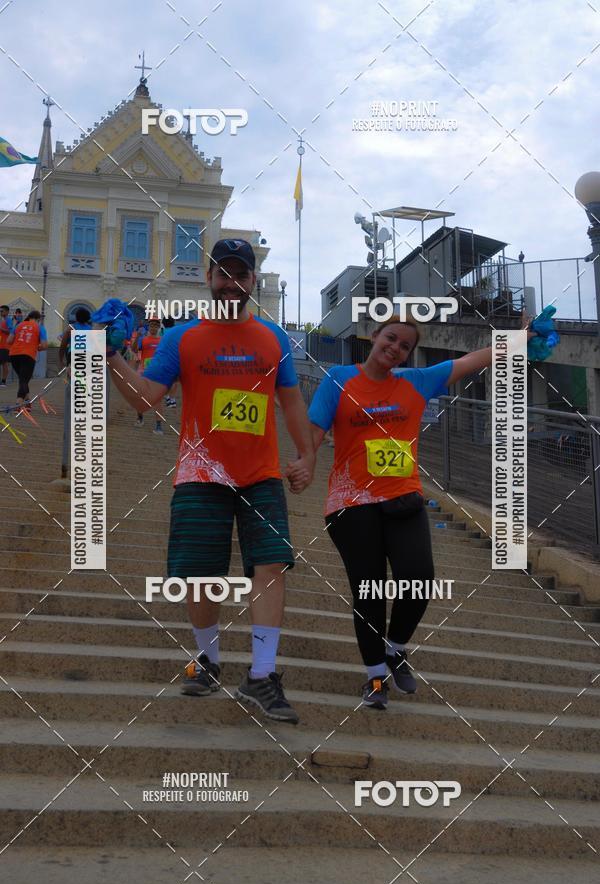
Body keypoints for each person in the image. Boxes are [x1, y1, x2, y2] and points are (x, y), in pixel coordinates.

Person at [105, 238, 315, 723]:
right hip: (201, 474)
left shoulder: (273, 339)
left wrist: (307, 454)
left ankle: (262, 676)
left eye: (241, 274)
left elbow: (291, 403)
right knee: (202, 576)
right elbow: (145, 400)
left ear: (252, 282)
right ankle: (209, 659)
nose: (231, 283)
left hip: (260, 474)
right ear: (209, 278)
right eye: (223, 273)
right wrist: (111, 356)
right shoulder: (184, 338)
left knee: (271, 566)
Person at [298, 313, 508, 710]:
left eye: (405, 346)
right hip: (351, 503)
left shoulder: (417, 382)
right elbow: (314, 432)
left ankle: (395, 649)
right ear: (374, 336)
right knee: (369, 589)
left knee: (419, 578)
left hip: (403, 498)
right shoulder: (339, 378)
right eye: (390, 338)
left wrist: (520, 339)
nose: (395, 348)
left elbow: (474, 360)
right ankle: (375, 677)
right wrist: (306, 462)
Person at [8, 310, 48, 407]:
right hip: (28, 355)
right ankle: (18, 403)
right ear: (38, 319)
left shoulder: (18, 325)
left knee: (23, 379)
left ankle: (27, 401)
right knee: (24, 380)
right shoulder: (40, 327)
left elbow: (9, 340)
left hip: (14, 355)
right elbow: (45, 345)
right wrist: (37, 347)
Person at [135, 318, 165, 435]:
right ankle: (140, 418)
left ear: (158, 327)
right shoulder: (143, 339)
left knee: (157, 399)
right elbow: (134, 350)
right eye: (151, 326)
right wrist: (137, 337)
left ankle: (158, 426)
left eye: (155, 326)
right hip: (143, 370)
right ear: (149, 327)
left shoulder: (162, 341)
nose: (153, 328)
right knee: (139, 395)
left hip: (156, 372)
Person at [0, 305, 13, 386]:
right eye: (0, 311)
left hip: (5, 346)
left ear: (7, 312)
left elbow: (10, 332)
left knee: (4, 363)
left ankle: (3, 381)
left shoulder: (8, 320)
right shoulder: (1, 320)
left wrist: (1, 329)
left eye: (2, 311)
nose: (0, 312)